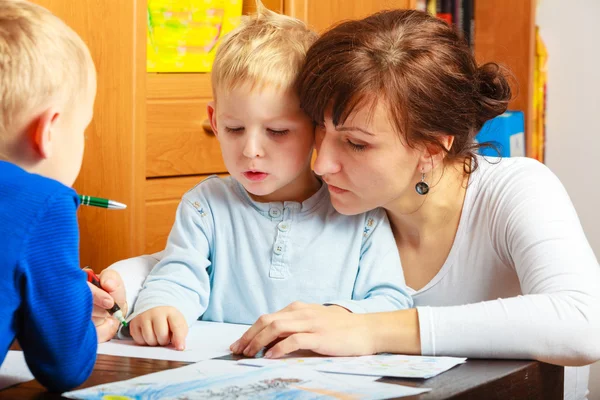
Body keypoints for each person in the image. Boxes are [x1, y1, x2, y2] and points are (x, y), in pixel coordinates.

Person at [94, 9, 600, 399]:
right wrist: (126, 283)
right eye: (323, 131)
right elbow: (224, 246)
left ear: (431, 147)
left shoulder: (515, 190)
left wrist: (370, 328)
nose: (320, 163)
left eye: (356, 144)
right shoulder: (351, 202)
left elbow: (583, 322)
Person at [124, 5, 412, 350]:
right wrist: (162, 306)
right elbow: (179, 273)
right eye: (234, 128)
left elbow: (392, 303)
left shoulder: (360, 216)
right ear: (215, 122)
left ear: (316, 126)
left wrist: (336, 317)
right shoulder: (206, 206)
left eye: (277, 131)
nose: (251, 150)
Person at [0, 0, 98, 392]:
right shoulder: (45, 202)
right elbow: (64, 366)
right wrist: (79, 310)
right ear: (50, 130)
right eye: (84, 129)